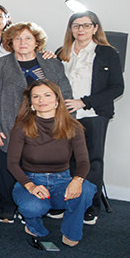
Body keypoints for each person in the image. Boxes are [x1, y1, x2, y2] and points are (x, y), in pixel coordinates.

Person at [0, 22, 72, 223]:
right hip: (7, 127)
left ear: (36, 42)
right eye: (17, 38)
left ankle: (37, 205)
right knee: (8, 168)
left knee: (37, 170)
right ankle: (8, 206)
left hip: (46, 129)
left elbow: (65, 95)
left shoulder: (51, 64)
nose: (22, 42)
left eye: (27, 38)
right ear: (10, 43)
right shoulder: (0, 65)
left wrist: (64, 126)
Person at [8, 80, 96, 247]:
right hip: (31, 181)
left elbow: (84, 161)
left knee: (86, 190)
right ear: (31, 102)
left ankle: (72, 232)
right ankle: (33, 224)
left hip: (62, 180)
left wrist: (77, 181)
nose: (42, 100)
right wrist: (30, 186)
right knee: (32, 207)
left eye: (47, 95)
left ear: (57, 100)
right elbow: (12, 163)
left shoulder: (73, 127)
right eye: (36, 96)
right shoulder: (22, 127)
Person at [58, 10, 123, 225]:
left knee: (91, 162)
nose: (81, 30)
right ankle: (64, 202)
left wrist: (84, 102)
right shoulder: (62, 52)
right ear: (71, 29)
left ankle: (90, 206)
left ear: (95, 28)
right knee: (64, 161)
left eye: (86, 25)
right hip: (64, 117)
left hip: (92, 115)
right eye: (76, 25)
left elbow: (116, 87)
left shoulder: (107, 53)